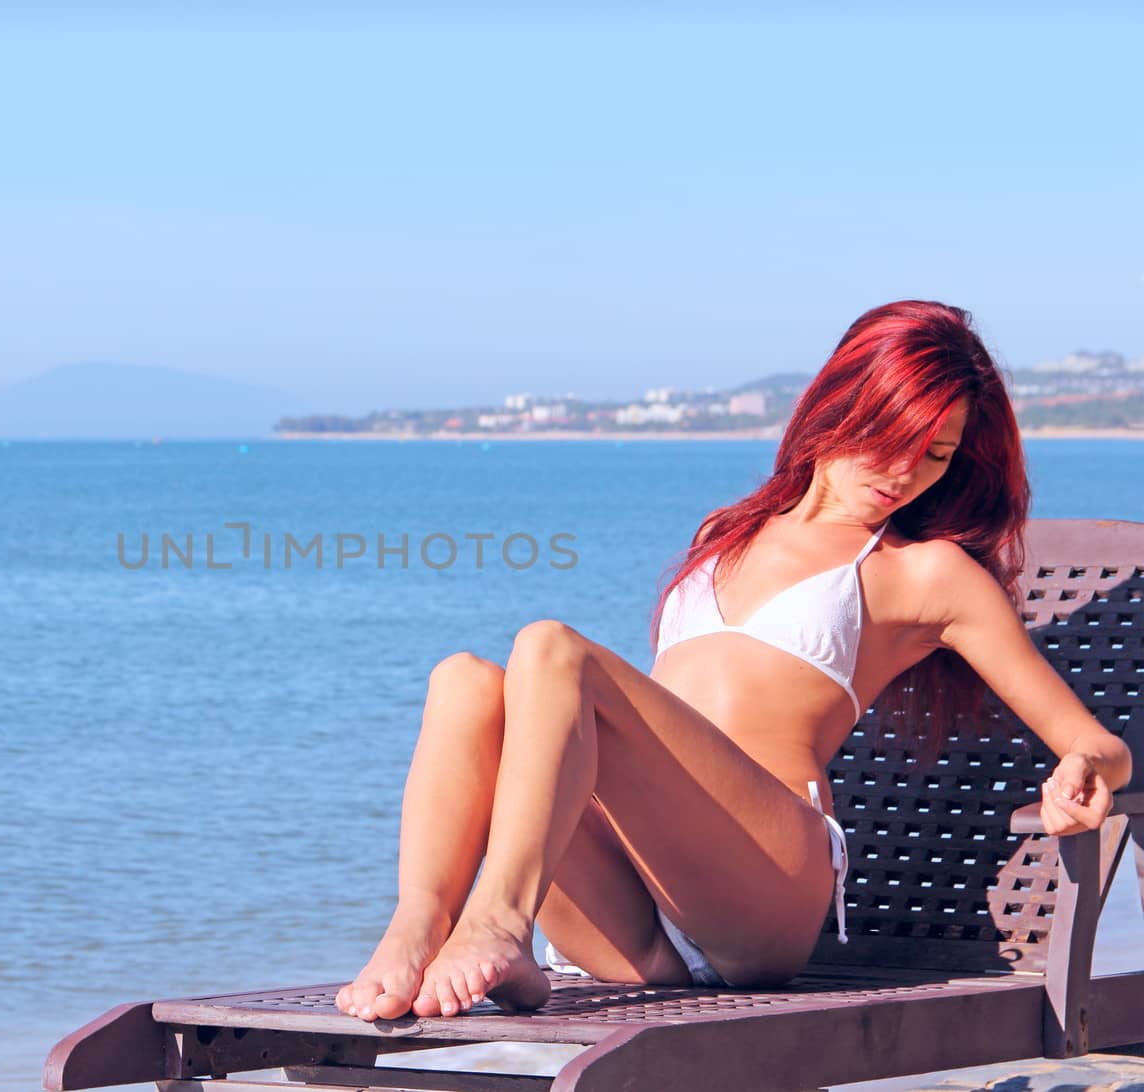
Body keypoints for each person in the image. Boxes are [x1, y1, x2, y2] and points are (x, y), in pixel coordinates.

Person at [334, 299, 1133, 1022]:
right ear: (842, 404)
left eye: (937, 456)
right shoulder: (731, 533)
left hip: (762, 891)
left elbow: (1092, 741)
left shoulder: (922, 573)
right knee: (465, 683)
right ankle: (417, 928)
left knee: (551, 647)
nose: (905, 474)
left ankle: (498, 922)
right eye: (894, 440)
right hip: (637, 920)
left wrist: (1084, 772)